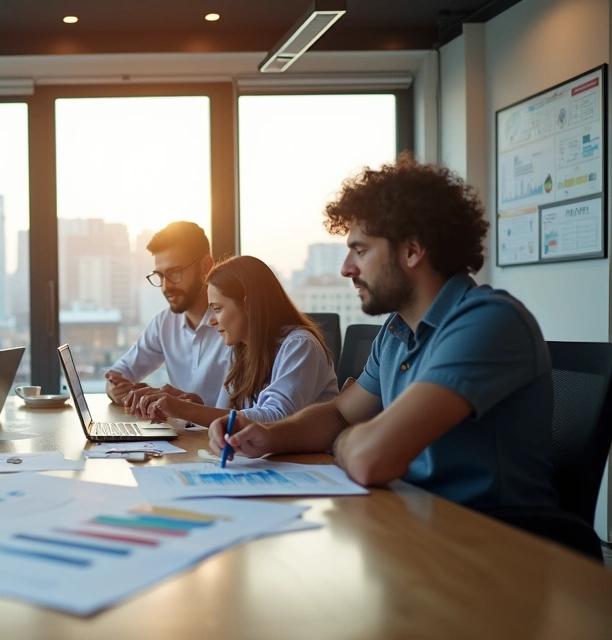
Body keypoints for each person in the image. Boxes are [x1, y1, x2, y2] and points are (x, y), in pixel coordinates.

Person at [205, 155, 556, 509]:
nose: (346, 269)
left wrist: (343, 440)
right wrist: (268, 436)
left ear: (412, 250)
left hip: (496, 544)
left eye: (360, 250)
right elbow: (339, 414)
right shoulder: (396, 331)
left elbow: (369, 459)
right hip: (413, 522)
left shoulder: (487, 322)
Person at [132, 255, 338, 426]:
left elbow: (276, 418)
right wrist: (194, 406)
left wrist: (186, 410)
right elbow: (229, 415)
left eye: (217, 309)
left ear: (248, 305)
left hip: (310, 465)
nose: (212, 320)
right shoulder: (241, 350)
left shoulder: (299, 345)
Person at [104, 221, 232, 415]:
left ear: (206, 266)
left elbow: (256, 413)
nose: (165, 287)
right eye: (160, 276)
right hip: (183, 438)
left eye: (175, 273)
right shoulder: (164, 323)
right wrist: (117, 389)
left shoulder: (235, 325)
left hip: (224, 439)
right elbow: (118, 374)